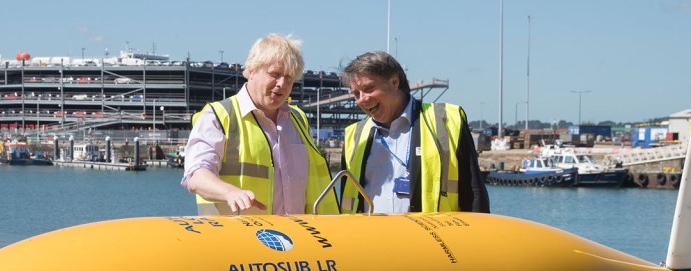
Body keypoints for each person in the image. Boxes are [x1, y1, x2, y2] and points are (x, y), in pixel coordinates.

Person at [182, 34, 338, 215]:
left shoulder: (298, 119)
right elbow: (196, 176)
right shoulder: (218, 116)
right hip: (237, 238)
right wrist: (229, 192)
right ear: (253, 70)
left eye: (289, 77)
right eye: (275, 74)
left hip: (298, 238)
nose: (282, 83)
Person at [339, 51, 489, 214]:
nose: (361, 99)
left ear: (394, 82)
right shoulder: (353, 136)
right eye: (356, 94)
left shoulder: (447, 121)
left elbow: (474, 195)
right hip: (370, 238)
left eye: (368, 89)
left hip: (433, 237)